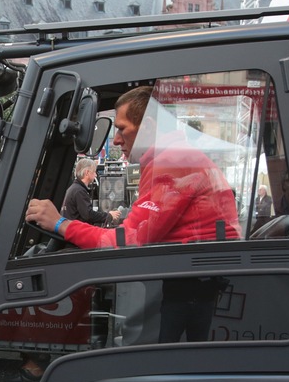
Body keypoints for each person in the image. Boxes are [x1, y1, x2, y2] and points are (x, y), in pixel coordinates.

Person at [26, 85, 241, 343]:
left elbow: (131, 241)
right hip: (195, 281)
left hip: (188, 285)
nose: (116, 139)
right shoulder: (175, 158)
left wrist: (61, 224)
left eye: (121, 128)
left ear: (148, 127)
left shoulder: (171, 162)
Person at [61, 157, 121, 227]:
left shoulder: (74, 189)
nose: (96, 175)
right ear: (87, 173)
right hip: (78, 233)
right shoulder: (79, 191)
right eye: (94, 172)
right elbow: (88, 215)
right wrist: (109, 215)